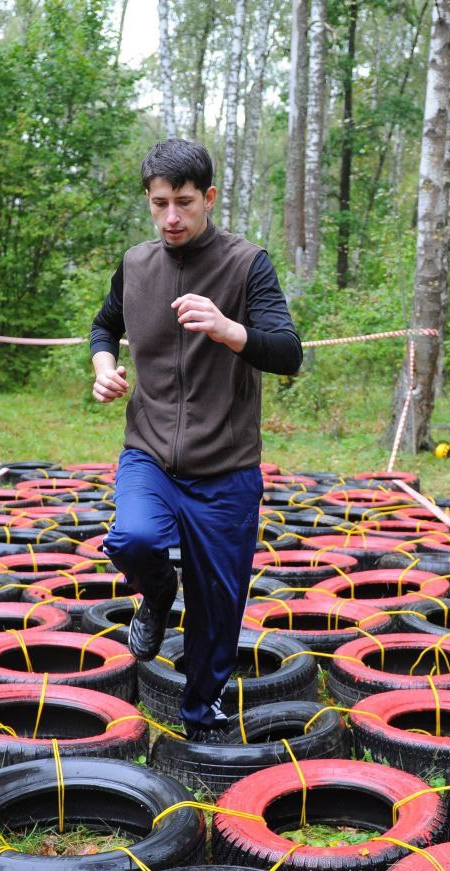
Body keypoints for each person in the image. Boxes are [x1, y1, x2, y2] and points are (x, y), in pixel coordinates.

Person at [89, 139, 302, 743]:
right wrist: (104, 367)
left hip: (226, 464)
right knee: (132, 538)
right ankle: (158, 594)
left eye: (183, 202)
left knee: (217, 604)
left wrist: (229, 329)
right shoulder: (135, 265)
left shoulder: (247, 263)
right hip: (149, 451)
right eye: (159, 204)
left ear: (208, 197)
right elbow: (105, 325)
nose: (172, 217)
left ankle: (201, 714)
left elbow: (288, 353)